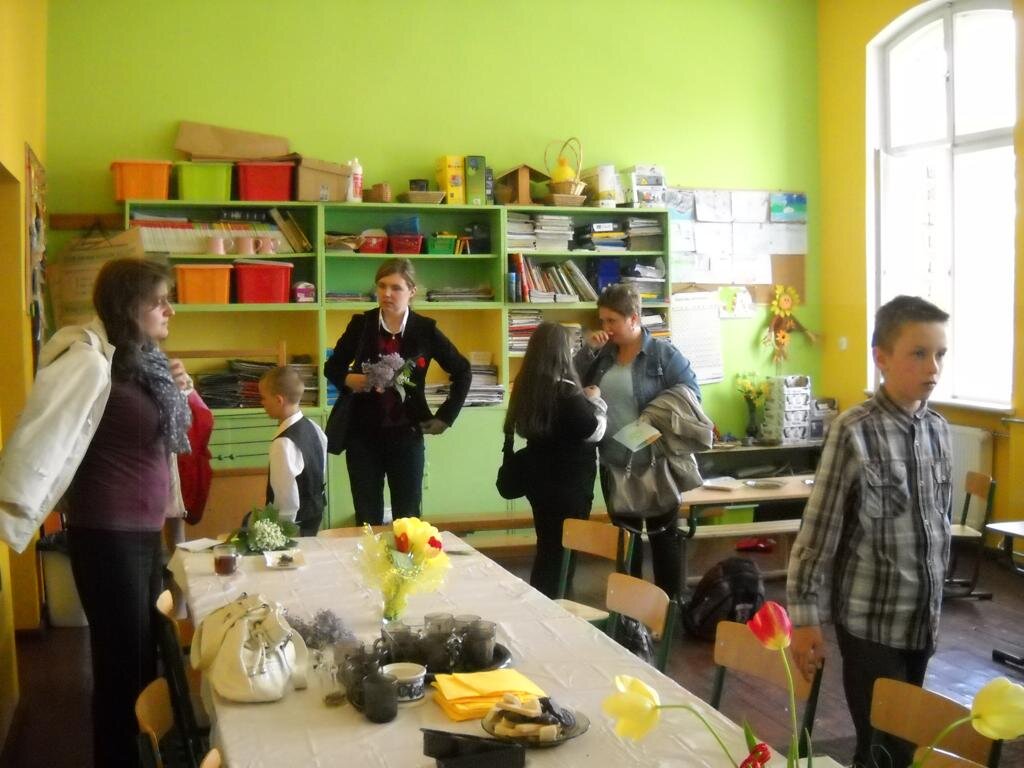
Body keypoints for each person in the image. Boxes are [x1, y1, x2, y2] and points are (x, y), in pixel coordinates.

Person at [0, 258, 192, 768]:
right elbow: (38, 432)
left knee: (145, 654)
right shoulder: (88, 362)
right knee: (121, 664)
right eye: (159, 301)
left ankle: (144, 752)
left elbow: (172, 437)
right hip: (108, 535)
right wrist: (14, 505)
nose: (170, 310)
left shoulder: (143, 362)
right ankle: (118, 759)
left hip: (143, 531)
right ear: (129, 308)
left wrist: (180, 387)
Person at [787, 295, 952, 768]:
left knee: (904, 738)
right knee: (885, 747)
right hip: (870, 622)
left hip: (922, 620)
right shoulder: (853, 430)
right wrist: (805, 618)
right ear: (881, 357)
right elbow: (818, 532)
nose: (933, 367)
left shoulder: (939, 430)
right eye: (919, 353)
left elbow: (937, 526)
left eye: (940, 354)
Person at [575, 283, 700, 601]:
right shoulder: (604, 354)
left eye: (612, 321)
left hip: (655, 462)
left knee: (664, 540)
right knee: (626, 543)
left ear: (634, 319)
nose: (606, 327)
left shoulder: (663, 355)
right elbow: (573, 383)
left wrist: (655, 420)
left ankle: (668, 611)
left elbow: (691, 396)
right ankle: (630, 615)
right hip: (614, 462)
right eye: (602, 320)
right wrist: (587, 350)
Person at [324, 258, 471, 525]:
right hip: (362, 437)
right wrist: (347, 378)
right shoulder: (362, 324)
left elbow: (462, 371)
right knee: (367, 517)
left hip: (407, 435)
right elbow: (331, 367)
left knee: (409, 517)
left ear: (411, 291)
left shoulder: (425, 330)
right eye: (382, 286)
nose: (387, 293)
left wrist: (445, 417)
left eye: (396, 288)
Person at [504, 322, 607, 597]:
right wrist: (596, 401)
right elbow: (594, 431)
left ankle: (540, 602)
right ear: (561, 353)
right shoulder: (566, 392)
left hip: (538, 480)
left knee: (547, 549)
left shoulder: (526, 387)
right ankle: (558, 605)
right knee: (564, 556)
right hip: (569, 483)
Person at [259, 365, 327, 536]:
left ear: (279, 400)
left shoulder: (283, 443)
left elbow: (285, 496)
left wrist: (280, 530)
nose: (262, 403)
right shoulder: (314, 427)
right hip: (315, 513)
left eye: (264, 398)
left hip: (294, 526)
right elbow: (319, 472)